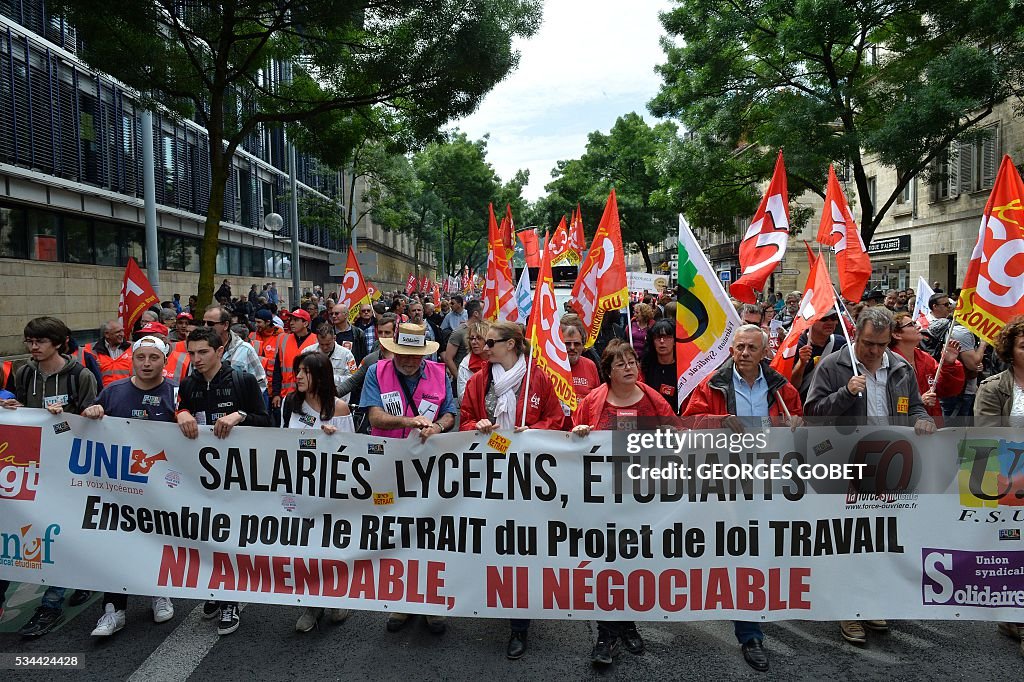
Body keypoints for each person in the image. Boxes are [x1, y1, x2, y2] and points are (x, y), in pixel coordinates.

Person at [804, 306, 934, 645]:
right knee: (850, 541)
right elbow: (813, 414)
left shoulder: (902, 368)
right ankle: (848, 610)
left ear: (889, 339)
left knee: (881, 541)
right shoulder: (834, 365)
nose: (873, 351)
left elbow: (915, 405)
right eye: (866, 344)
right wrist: (845, 393)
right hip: (847, 466)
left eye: (879, 344)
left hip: (890, 466)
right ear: (856, 336)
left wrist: (924, 419)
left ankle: (871, 602)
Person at [682, 324, 802, 672]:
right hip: (727, 485)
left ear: (765, 351)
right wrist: (720, 421)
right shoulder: (713, 385)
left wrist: (797, 425)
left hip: (771, 482)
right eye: (738, 347)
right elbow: (688, 423)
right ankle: (750, 634)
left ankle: (754, 610)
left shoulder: (782, 388)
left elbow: (800, 425)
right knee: (739, 553)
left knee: (763, 552)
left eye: (751, 348)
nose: (744, 353)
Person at [571, 340, 683, 666]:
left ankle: (627, 622)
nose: (629, 368)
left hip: (643, 501)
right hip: (603, 503)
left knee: (634, 565)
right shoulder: (593, 401)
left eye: (632, 361)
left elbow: (677, 434)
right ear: (608, 371)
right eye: (621, 364)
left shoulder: (652, 398)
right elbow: (569, 442)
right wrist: (578, 434)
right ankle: (607, 634)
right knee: (608, 566)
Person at [459, 321, 564, 659]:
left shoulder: (537, 379)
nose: (484, 348)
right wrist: (476, 425)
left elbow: (556, 419)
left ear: (513, 345)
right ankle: (487, 596)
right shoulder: (478, 382)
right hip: (487, 479)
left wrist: (531, 432)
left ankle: (519, 625)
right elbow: (464, 420)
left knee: (521, 550)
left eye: (491, 342)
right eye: (483, 343)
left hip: (528, 480)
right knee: (490, 544)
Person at [3, 317, 98, 636]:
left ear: (58, 342)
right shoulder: (25, 372)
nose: (33, 347)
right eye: (29, 341)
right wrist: (14, 408)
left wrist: (68, 419)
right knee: (16, 531)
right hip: (30, 468)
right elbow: (20, 414)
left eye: (39, 342)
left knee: (60, 535)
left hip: (68, 471)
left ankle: (52, 605)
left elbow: (93, 424)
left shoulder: (79, 376)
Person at [361, 322, 456, 635]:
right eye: (403, 353)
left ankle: (433, 602)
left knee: (431, 533)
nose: (409, 360)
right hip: (389, 466)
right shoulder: (377, 372)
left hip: (430, 467)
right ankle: (403, 602)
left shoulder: (441, 373)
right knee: (396, 533)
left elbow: (450, 413)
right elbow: (374, 417)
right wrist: (409, 420)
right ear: (394, 351)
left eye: (415, 355)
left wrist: (438, 427)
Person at [176, 326, 270, 635]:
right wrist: (182, 414)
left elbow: (266, 421)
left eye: (203, 352)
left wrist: (239, 415)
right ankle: (216, 590)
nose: (196, 358)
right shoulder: (188, 383)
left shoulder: (241, 380)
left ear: (219, 351)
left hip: (240, 474)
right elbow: (180, 411)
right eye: (191, 353)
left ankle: (231, 599)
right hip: (201, 477)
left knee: (232, 537)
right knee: (207, 536)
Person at [81, 336, 178, 636]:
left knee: (155, 539)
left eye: (154, 358)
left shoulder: (175, 393)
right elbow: (87, 427)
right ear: (132, 360)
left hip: (161, 486)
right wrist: (92, 413)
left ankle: (159, 592)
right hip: (119, 486)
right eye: (141, 357)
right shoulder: (113, 392)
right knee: (116, 544)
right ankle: (113, 609)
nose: (147, 363)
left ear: (164, 360)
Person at [282, 352, 354, 632]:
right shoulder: (290, 403)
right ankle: (312, 604)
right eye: (297, 370)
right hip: (301, 490)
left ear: (320, 376)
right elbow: (279, 440)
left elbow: (350, 454)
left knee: (330, 544)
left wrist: (333, 440)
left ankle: (336, 594)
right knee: (306, 547)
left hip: (331, 491)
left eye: (305, 372)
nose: (298, 376)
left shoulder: (339, 408)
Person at [890, 312, 964, 420]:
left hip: (932, 423)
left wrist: (948, 364)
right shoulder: (889, 362)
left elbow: (946, 390)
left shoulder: (924, 358)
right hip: (906, 429)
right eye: (911, 325)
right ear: (896, 335)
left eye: (915, 323)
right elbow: (887, 403)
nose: (918, 326)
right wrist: (919, 402)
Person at [202, 305, 267, 393]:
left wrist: (243, 403)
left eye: (210, 324)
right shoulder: (199, 350)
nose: (205, 327)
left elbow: (260, 382)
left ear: (225, 325)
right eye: (203, 323)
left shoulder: (245, 350)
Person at [789, 312, 847, 401]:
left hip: (832, 403)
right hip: (806, 406)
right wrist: (801, 364)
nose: (830, 323)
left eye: (833, 318)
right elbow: (792, 386)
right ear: (811, 321)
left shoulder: (841, 343)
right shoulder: (795, 346)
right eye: (824, 319)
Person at [270, 308, 318, 415]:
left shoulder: (316, 341)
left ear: (305, 323)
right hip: (285, 396)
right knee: (285, 426)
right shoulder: (283, 339)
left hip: (308, 397)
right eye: (291, 319)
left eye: (296, 320)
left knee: (306, 423)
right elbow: (277, 369)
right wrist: (276, 394)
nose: (291, 322)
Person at [559, 315, 602, 430]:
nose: (572, 348)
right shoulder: (548, 367)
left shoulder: (590, 366)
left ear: (583, 346)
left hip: (583, 434)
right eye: (567, 343)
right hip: (556, 435)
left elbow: (597, 402)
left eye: (577, 344)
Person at [301, 324, 357, 400]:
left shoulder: (347, 355)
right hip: (314, 401)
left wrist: (329, 379)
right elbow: (301, 376)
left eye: (328, 344)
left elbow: (353, 379)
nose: (325, 347)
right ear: (317, 339)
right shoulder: (307, 352)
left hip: (338, 401)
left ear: (334, 338)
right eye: (321, 344)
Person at [639, 318, 678, 409]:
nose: (661, 341)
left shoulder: (684, 369)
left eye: (667, 337)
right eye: (657, 337)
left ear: (675, 341)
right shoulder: (645, 368)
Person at [443, 300, 482, 378]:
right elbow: (448, 358)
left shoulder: (483, 330)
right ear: (476, 314)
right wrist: (459, 378)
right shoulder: (459, 332)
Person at [91, 319, 132, 387]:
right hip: (105, 394)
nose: (122, 334)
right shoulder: (91, 350)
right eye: (118, 332)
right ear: (107, 334)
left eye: (122, 331)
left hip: (128, 392)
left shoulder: (133, 347)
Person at [456, 320, 491, 398]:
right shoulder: (465, 365)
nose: (474, 342)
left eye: (479, 338)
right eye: (471, 338)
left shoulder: (497, 360)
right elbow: (462, 398)